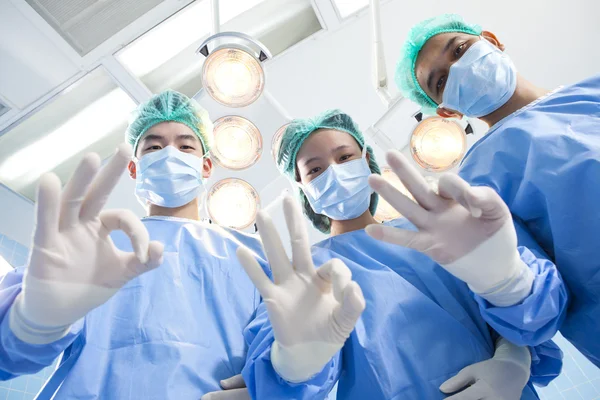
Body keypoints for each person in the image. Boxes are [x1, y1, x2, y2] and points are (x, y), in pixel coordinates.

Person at [0, 90, 364, 399]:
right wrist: (31, 324)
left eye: (185, 145)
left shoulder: (254, 256)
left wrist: (296, 364)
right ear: (134, 169)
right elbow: (9, 356)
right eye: (154, 147)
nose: (169, 153)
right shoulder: (93, 247)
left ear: (206, 166)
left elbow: (285, 367)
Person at [208, 110, 566, 399]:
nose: (333, 171)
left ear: (367, 160)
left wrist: (513, 359)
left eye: (344, 156)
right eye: (315, 169)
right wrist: (292, 365)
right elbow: (292, 378)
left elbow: (524, 315)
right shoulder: (305, 273)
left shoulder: (438, 234)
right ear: (303, 189)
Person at [394, 13, 600, 367]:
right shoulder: (476, 182)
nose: (458, 69)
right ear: (446, 112)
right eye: (441, 81)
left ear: (491, 39)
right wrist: (505, 281)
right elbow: (541, 310)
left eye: (459, 49)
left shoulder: (591, 92)